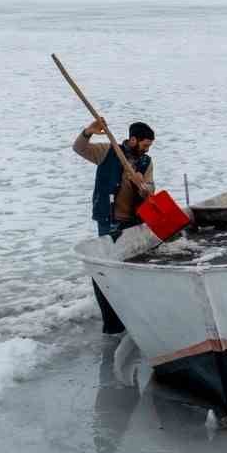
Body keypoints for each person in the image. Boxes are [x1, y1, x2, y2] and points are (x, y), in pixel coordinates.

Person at [73, 118, 156, 333]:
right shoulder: (107, 151)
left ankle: (132, 315)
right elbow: (79, 148)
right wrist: (88, 132)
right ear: (133, 139)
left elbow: (150, 191)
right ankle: (111, 324)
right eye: (145, 145)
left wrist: (142, 186)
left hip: (132, 221)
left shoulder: (146, 162)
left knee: (130, 268)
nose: (146, 150)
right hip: (108, 220)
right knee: (108, 269)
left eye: (149, 146)